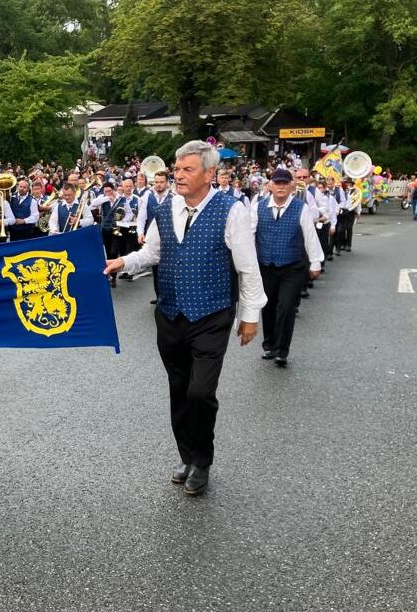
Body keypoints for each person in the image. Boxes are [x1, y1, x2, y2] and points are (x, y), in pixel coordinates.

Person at [103, 140, 266, 496]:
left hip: (211, 314)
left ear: (209, 174)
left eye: (186, 169)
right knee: (179, 390)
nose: (177, 175)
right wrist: (124, 262)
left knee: (200, 392)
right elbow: (153, 253)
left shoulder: (231, 209)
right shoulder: (166, 209)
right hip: (171, 315)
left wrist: (250, 315)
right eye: (176, 169)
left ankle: (203, 461)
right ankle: (187, 456)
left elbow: (247, 267)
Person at [253, 168, 324, 366]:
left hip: (292, 267)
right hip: (266, 265)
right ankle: (269, 345)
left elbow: (310, 236)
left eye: (285, 183)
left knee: (285, 307)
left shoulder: (300, 207)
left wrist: (316, 261)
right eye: (277, 183)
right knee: (267, 307)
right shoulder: (257, 207)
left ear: (291, 186)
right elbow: (249, 235)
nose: (281, 187)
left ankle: (281, 350)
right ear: (270, 186)